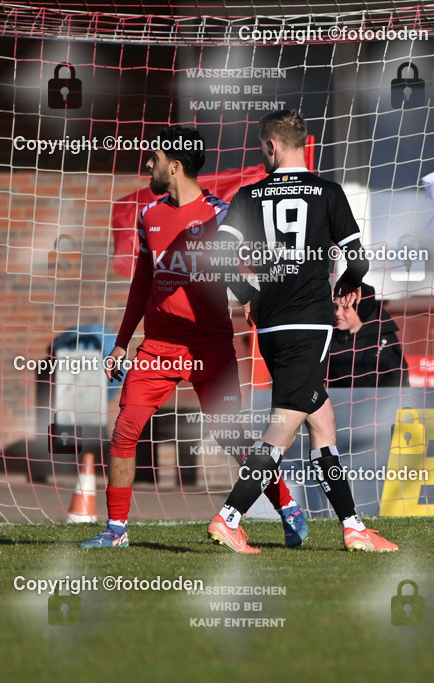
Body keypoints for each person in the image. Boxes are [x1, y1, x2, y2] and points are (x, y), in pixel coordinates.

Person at [80, 126, 307, 549]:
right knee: (125, 430)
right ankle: (116, 531)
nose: (149, 164)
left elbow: (251, 273)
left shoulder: (222, 215)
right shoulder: (148, 214)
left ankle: (289, 507)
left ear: (175, 165)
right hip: (158, 346)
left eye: (155, 158)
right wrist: (121, 342)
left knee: (231, 436)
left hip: (210, 346)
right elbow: (141, 283)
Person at [206, 109, 397, 553]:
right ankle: (229, 516)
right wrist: (351, 285)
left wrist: (248, 293)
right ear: (303, 144)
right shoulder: (328, 192)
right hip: (310, 324)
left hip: (269, 325)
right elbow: (359, 262)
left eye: (260, 147)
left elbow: (218, 255)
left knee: (322, 421)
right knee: (284, 425)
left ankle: (353, 526)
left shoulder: (249, 194)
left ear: (271, 147)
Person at [327, 283, 408, 388]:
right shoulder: (330, 335)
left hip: (378, 401)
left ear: (361, 311)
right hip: (339, 400)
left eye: (345, 308)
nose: (337, 313)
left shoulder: (383, 337)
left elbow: (394, 381)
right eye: (336, 307)